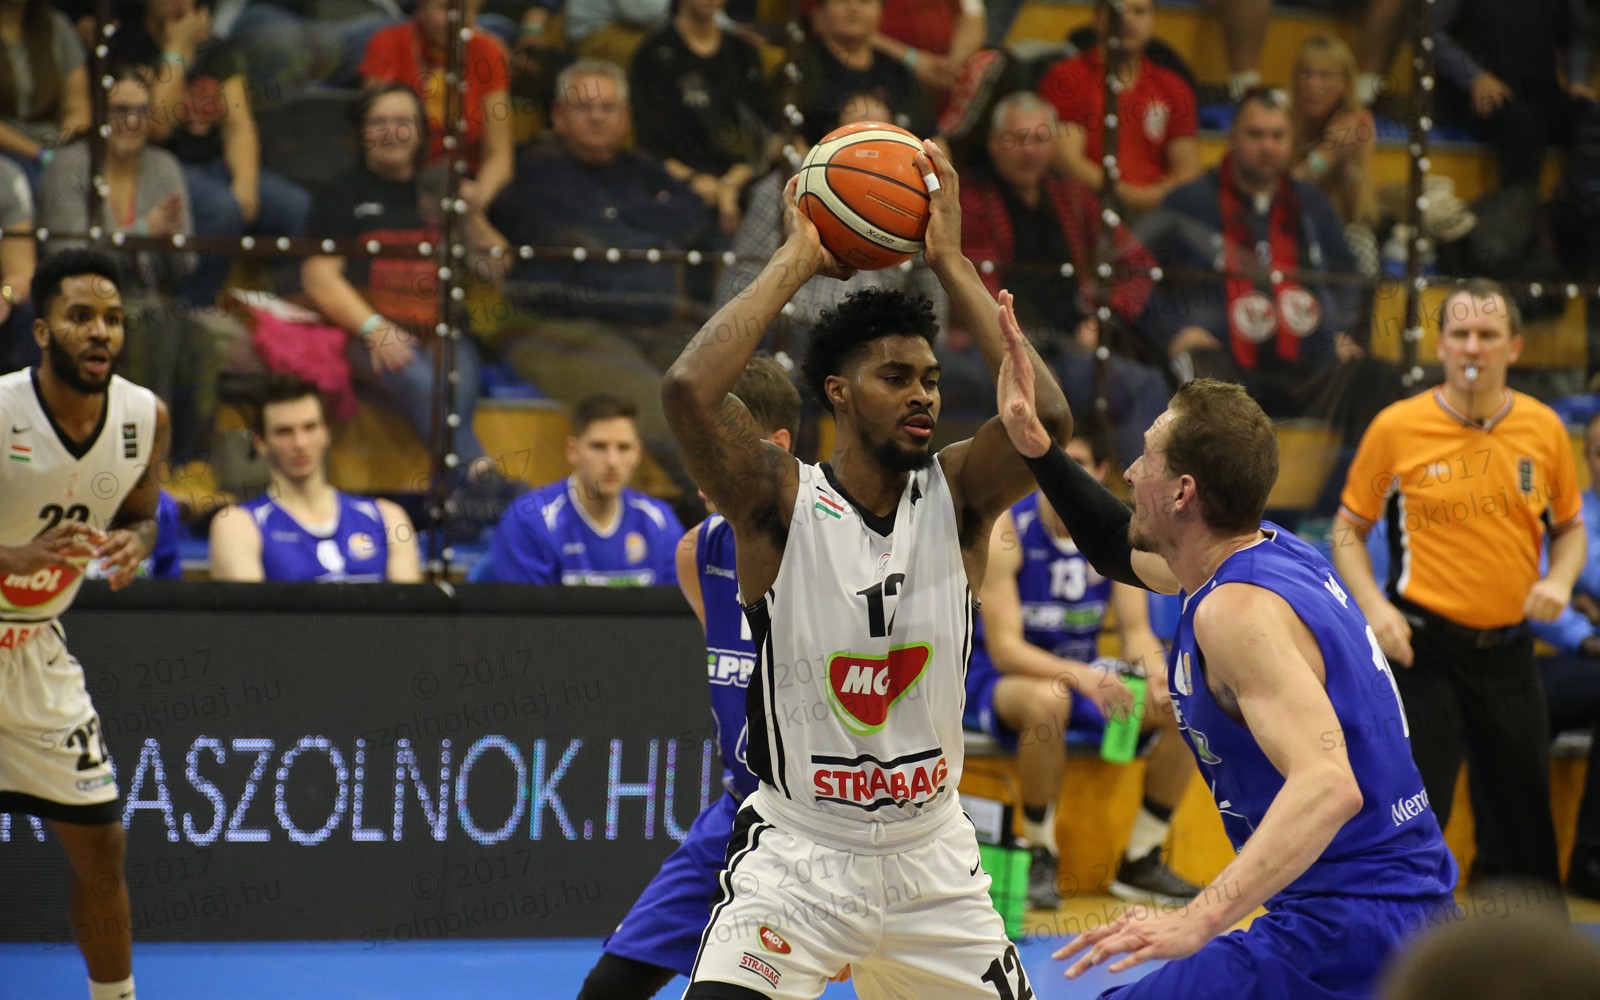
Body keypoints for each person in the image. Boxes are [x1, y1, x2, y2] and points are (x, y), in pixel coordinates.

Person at [661, 131, 1070, 997]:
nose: (922, 393)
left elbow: (1048, 422)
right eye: (895, 377)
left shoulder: (959, 495)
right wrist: (796, 258)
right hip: (802, 858)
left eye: (931, 378)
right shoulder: (778, 499)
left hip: (934, 862)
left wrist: (951, 261)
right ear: (839, 393)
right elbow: (688, 392)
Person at [992, 350, 1458, 995]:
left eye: (1146, 458)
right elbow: (1111, 544)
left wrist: (1196, 920)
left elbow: (1329, 785)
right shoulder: (1273, 550)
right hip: (1394, 909)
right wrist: (1039, 451)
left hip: (1348, 927)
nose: (1129, 471)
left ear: (1182, 492)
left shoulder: (1234, 612)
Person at [575, 356, 835, 998]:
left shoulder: (837, 551)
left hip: (827, 829)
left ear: (776, 447)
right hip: (736, 816)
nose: (697, 469)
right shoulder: (698, 550)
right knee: (605, 990)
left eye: (710, 445)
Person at [1330, 277, 1584, 895]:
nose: (1473, 347)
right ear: (1440, 345)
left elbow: (1571, 529)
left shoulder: (1545, 429)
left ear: (1513, 347)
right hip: (1423, 655)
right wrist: (1375, 609)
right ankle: (1399, 948)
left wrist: (1559, 578)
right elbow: (1346, 531)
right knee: (1415, 824)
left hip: (1510, 654)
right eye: (1461, 333)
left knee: (1528, 836)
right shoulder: (1397, 427)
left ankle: (1527, 952)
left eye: (1488, 334)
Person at [0, 247, 171, 1000]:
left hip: (34, 649)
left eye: (112, 318)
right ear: (41, 331)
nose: (100, 331)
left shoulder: (144, 417)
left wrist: (136, 542)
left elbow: (141, 514)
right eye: (80, 316)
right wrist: (13, 556)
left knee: (101, 843)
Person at [967, 426, 1197, 910]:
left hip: (1086, 675)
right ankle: (1039, 851)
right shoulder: (1009, 530)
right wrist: (1086, 679)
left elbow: (1135, 632)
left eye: (1078, 464)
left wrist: (1157, 673)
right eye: (1057, 462)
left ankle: (1141, 858)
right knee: (1048, 700)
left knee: (1183, 703)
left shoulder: (1123, 531)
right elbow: (1006, 648)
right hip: (1006, 677)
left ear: (1099, 472)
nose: (1065, 474)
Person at [487, 59, 711, 504]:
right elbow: (556, 231)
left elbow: (690, 215)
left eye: (608, 108)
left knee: (738, 389)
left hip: (656, 325)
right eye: (583, 107)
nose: (596, 117)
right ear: (558, 116)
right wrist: (637, 230)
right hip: (559, 330)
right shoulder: (532, 172)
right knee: (660, 408)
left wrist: (610, 229)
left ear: (625, 117)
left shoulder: (644, 170)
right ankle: (729, 519)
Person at [300, 83, 516, 534]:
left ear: (421, 132)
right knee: (426, 385)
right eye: (379, 122)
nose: (392, 132)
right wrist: (374, 327)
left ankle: (459, 502)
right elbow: (318, 278)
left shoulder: (439, 188)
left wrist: (471, 215)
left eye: (403, 122)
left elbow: (495, 267)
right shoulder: (339, 193)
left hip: (442, 331)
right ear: (361, 132)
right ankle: (483, 478)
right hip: (365, 332)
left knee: (450, 389)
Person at [1135, 87, 1391, 448]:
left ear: (1290, 142)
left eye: (1277, 136)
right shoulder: (1188, 202)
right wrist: (1173, 331)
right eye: (1256, 135)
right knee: (1195, 372)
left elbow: (1347, 276)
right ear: (1232, 138)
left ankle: (1344, 482)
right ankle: (1217, 483)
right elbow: (1131, 273)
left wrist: (1343, 330)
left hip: (1308, 365)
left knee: (1375, 377)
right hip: (1221, 365)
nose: (1267, 146)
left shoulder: (1311, 203)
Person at [954, 89, 1167, 466]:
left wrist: (1103, 316)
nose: (1029, 151)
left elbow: (1137, 262)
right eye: (1016, 139)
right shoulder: (971, 198)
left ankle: (1144, 489)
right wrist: (1023, 357)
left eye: (1040, 139)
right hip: (995, 351)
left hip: (1072, 349)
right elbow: (977, 291)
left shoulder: (1071, 194)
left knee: (1144, 384)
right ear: (993, 143)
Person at [37, 65, 211, 465]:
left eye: (141, 111)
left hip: (150, 297)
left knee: (201, 344)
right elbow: (66, 256)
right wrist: (142, 231)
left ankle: (191, 464)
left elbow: (186, 263)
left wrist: (165, 242)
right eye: (120, 111)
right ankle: (145, 461)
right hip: (83, 304)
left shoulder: (164, 167)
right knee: (149, 328)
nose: (131, 121)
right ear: (99, 114)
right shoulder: (68, 167)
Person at [711, 92, 949, 361]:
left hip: (871, 335)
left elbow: (930, 288)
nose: (871, 145)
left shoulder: (917, 196)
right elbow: (742, 270)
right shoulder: (791, 186)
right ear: (837, 135)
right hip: (792, 328)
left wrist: (933, 354)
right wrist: (721, 345)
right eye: (859, 133)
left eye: (880, 133)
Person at [108, 0, 311, 305]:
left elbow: (239, 125)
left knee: (293, 205)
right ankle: (192, 307)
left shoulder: (216, 50)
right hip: (158, 164)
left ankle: (286, 311)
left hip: (215, 163)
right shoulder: (130, 45)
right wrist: (176, 52)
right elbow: (157, 126)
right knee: (221, 209)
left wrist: (245, 183)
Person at [207, 374, 421, 583]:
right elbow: (248, 608)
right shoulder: (239, 525)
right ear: (260, 442)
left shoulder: (386, 517)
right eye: (284, 432)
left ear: (326, 432)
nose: (300, 443)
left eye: (310, 427)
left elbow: (408, 606)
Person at [359, 0, 513, 254]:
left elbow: (500, 154)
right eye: (444, 8)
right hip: (401, 178)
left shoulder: (489, 51)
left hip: (466, 186)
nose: (454, 18)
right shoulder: (389, 42)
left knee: (497, 252)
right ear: (421, 7)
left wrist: (476, 200)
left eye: (465, 10)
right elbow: (374, 130)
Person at [486, 393, 683, 587]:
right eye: (599, 447)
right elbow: (527, 608)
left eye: (623, 448)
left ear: (637, 454)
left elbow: (678, 605)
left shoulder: (660, 520)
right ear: (573, 451)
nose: (612, 461)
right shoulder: (528, 521)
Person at [1037, 0, 1200, 216]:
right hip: (1087, 208)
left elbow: (1187, 170)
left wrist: (1151, 199)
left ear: (1153, 21)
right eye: (1118, 10)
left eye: (1139, 12)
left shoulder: (1173, 86)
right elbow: (1067, 161)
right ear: (1097, 18)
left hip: (1157, 211)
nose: (1127, 19)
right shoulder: (1067, 79)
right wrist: (1129, 197)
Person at [628, 0, 775, 238]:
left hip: (743, 180)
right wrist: (695, 180)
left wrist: (730, 183)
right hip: (676, 185)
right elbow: (649, 145)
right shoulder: (652, 55)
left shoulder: (743, 53)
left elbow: (762, 130)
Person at [787, 0, 936, 146]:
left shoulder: (898, 72)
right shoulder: (800, 70)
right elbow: (784, 140)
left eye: (865, 1)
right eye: (842, 1)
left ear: (881, 10)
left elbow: (933, 138)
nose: (853, 7)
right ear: (822, 9)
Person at [1289, 34, 1378, 233]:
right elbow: (1282, 198)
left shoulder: (1358, 124)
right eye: (1305, 74)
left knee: (1361, 240)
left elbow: (1358, 213)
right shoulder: (1281, 120)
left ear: (1345, 85)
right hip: (1288, 228)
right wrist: (1328, 155)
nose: (1313, 84)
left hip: (1337, 228)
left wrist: (1347, 165)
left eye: (1325, 76)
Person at [0, 0, 91, 188]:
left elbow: (78, 107)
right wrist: (39, 154)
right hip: (7, 152)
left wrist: (61, 149)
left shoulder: (57, 27)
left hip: (56, 146)